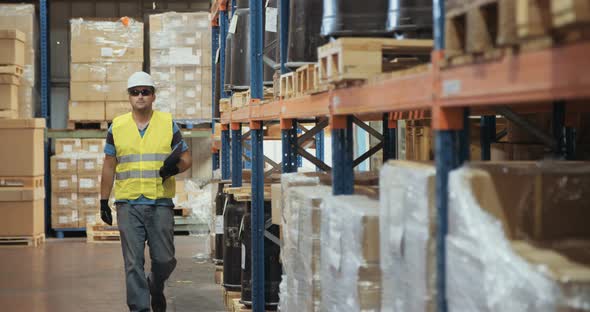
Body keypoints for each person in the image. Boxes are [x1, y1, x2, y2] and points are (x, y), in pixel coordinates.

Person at [100, 71, 192, 312]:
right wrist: (103, 201)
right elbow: (109, 165)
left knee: (165, 259)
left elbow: (186, 158)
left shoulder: (167, 123)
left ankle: (156, 284)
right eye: (135, 92)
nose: (140, 96)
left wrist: (172, 169)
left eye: (145, 91)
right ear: (129, 96)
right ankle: (140, 308)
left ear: (153, 96)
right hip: (128, 204)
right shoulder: (117, 127)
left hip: (160, 202)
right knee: (133, 263)